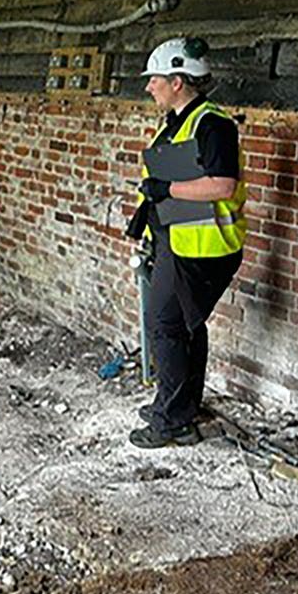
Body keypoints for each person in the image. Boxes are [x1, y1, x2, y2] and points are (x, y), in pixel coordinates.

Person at [128, 36, 246, 449]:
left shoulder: (213, 125)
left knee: (167, 326)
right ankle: (182, 404)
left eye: (154, 79)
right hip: (174, 241)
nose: (148, 87)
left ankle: (173, 420)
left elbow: (222, 185)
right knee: (186, 325)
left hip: (201, 248)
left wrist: (169, 188)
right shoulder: (176, 121)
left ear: (177, 81)